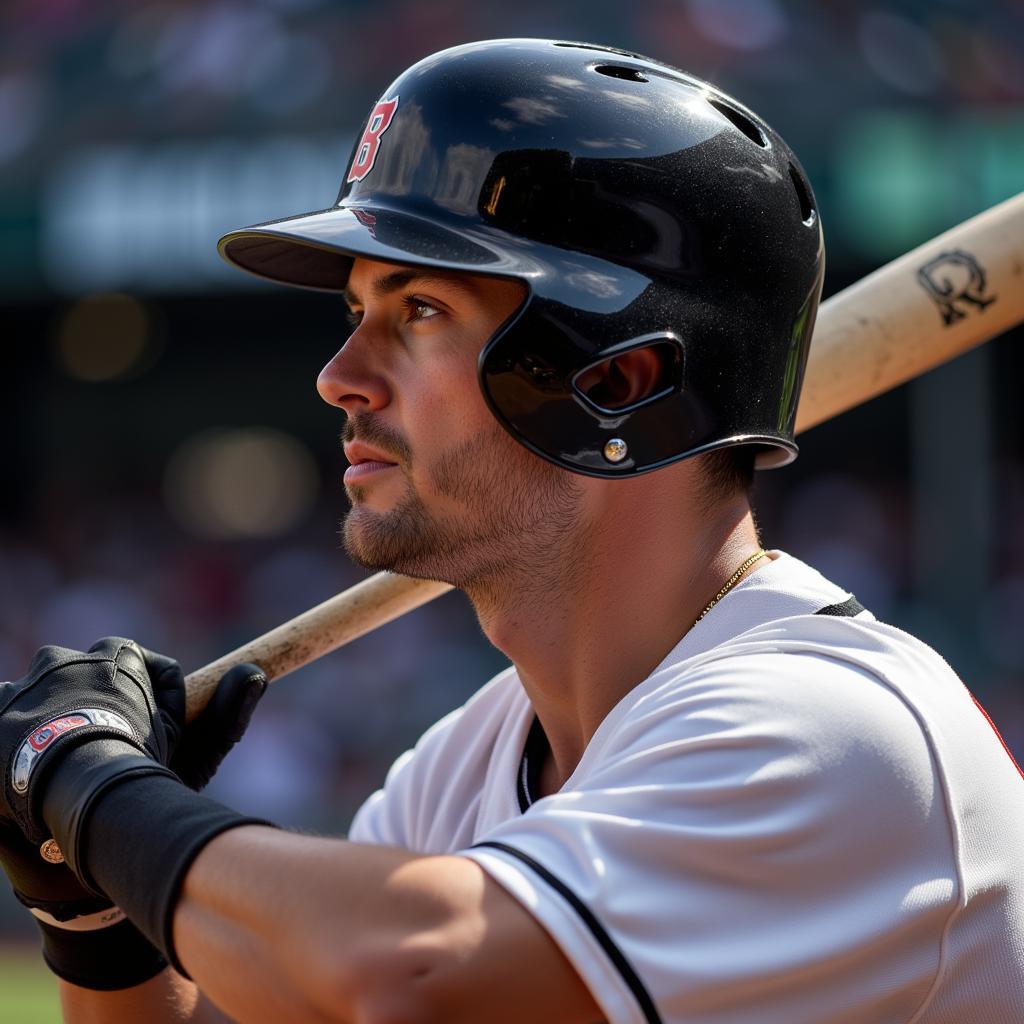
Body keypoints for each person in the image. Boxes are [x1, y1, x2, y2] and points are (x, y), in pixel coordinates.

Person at [1, 38, 1022, 1024]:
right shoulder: (472, 761)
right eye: (354, 312)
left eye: (422, 309)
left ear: (617, 381)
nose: (339, 375)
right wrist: (92, 914)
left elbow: (412, 978)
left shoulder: (830, 726)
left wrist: (91, 783)